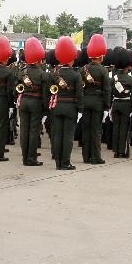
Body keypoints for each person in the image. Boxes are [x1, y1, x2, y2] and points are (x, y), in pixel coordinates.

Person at [49, 37, 83, 170]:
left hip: (56, 106)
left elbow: (50, 92)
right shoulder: (76, 75)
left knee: (57, 135)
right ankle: (66, 162)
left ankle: (58, 162)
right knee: (68, 136)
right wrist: (80, 109)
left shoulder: (54, 74)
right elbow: (79, 94)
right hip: (71, 107)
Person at [17, 37, 49, 166]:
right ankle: (31, 158)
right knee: (34, 131)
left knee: (24, 130)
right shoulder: (42, 74)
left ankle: (25, 157)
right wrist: (46, 108)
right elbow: (45, 93)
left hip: (24, 101)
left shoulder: (21, 72)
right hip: (36, 102)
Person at [80, 34, 111, 164]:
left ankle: (86, 157)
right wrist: (106, 106)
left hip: (86, 100)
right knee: (96, 130)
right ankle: (96, 157)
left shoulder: (83, 69)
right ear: (101, 55)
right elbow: (107, 90)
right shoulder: (103, 71)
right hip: (98, 102)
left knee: (86, 129)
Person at [109, 48, 132, 159]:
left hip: (115, 104)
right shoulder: (130, 79)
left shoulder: (113, 79)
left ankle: (115, 150)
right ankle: (121, 151)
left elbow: (110, 94)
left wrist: (110, 106)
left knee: (116, 128)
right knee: (124, 128)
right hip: (125, 104)